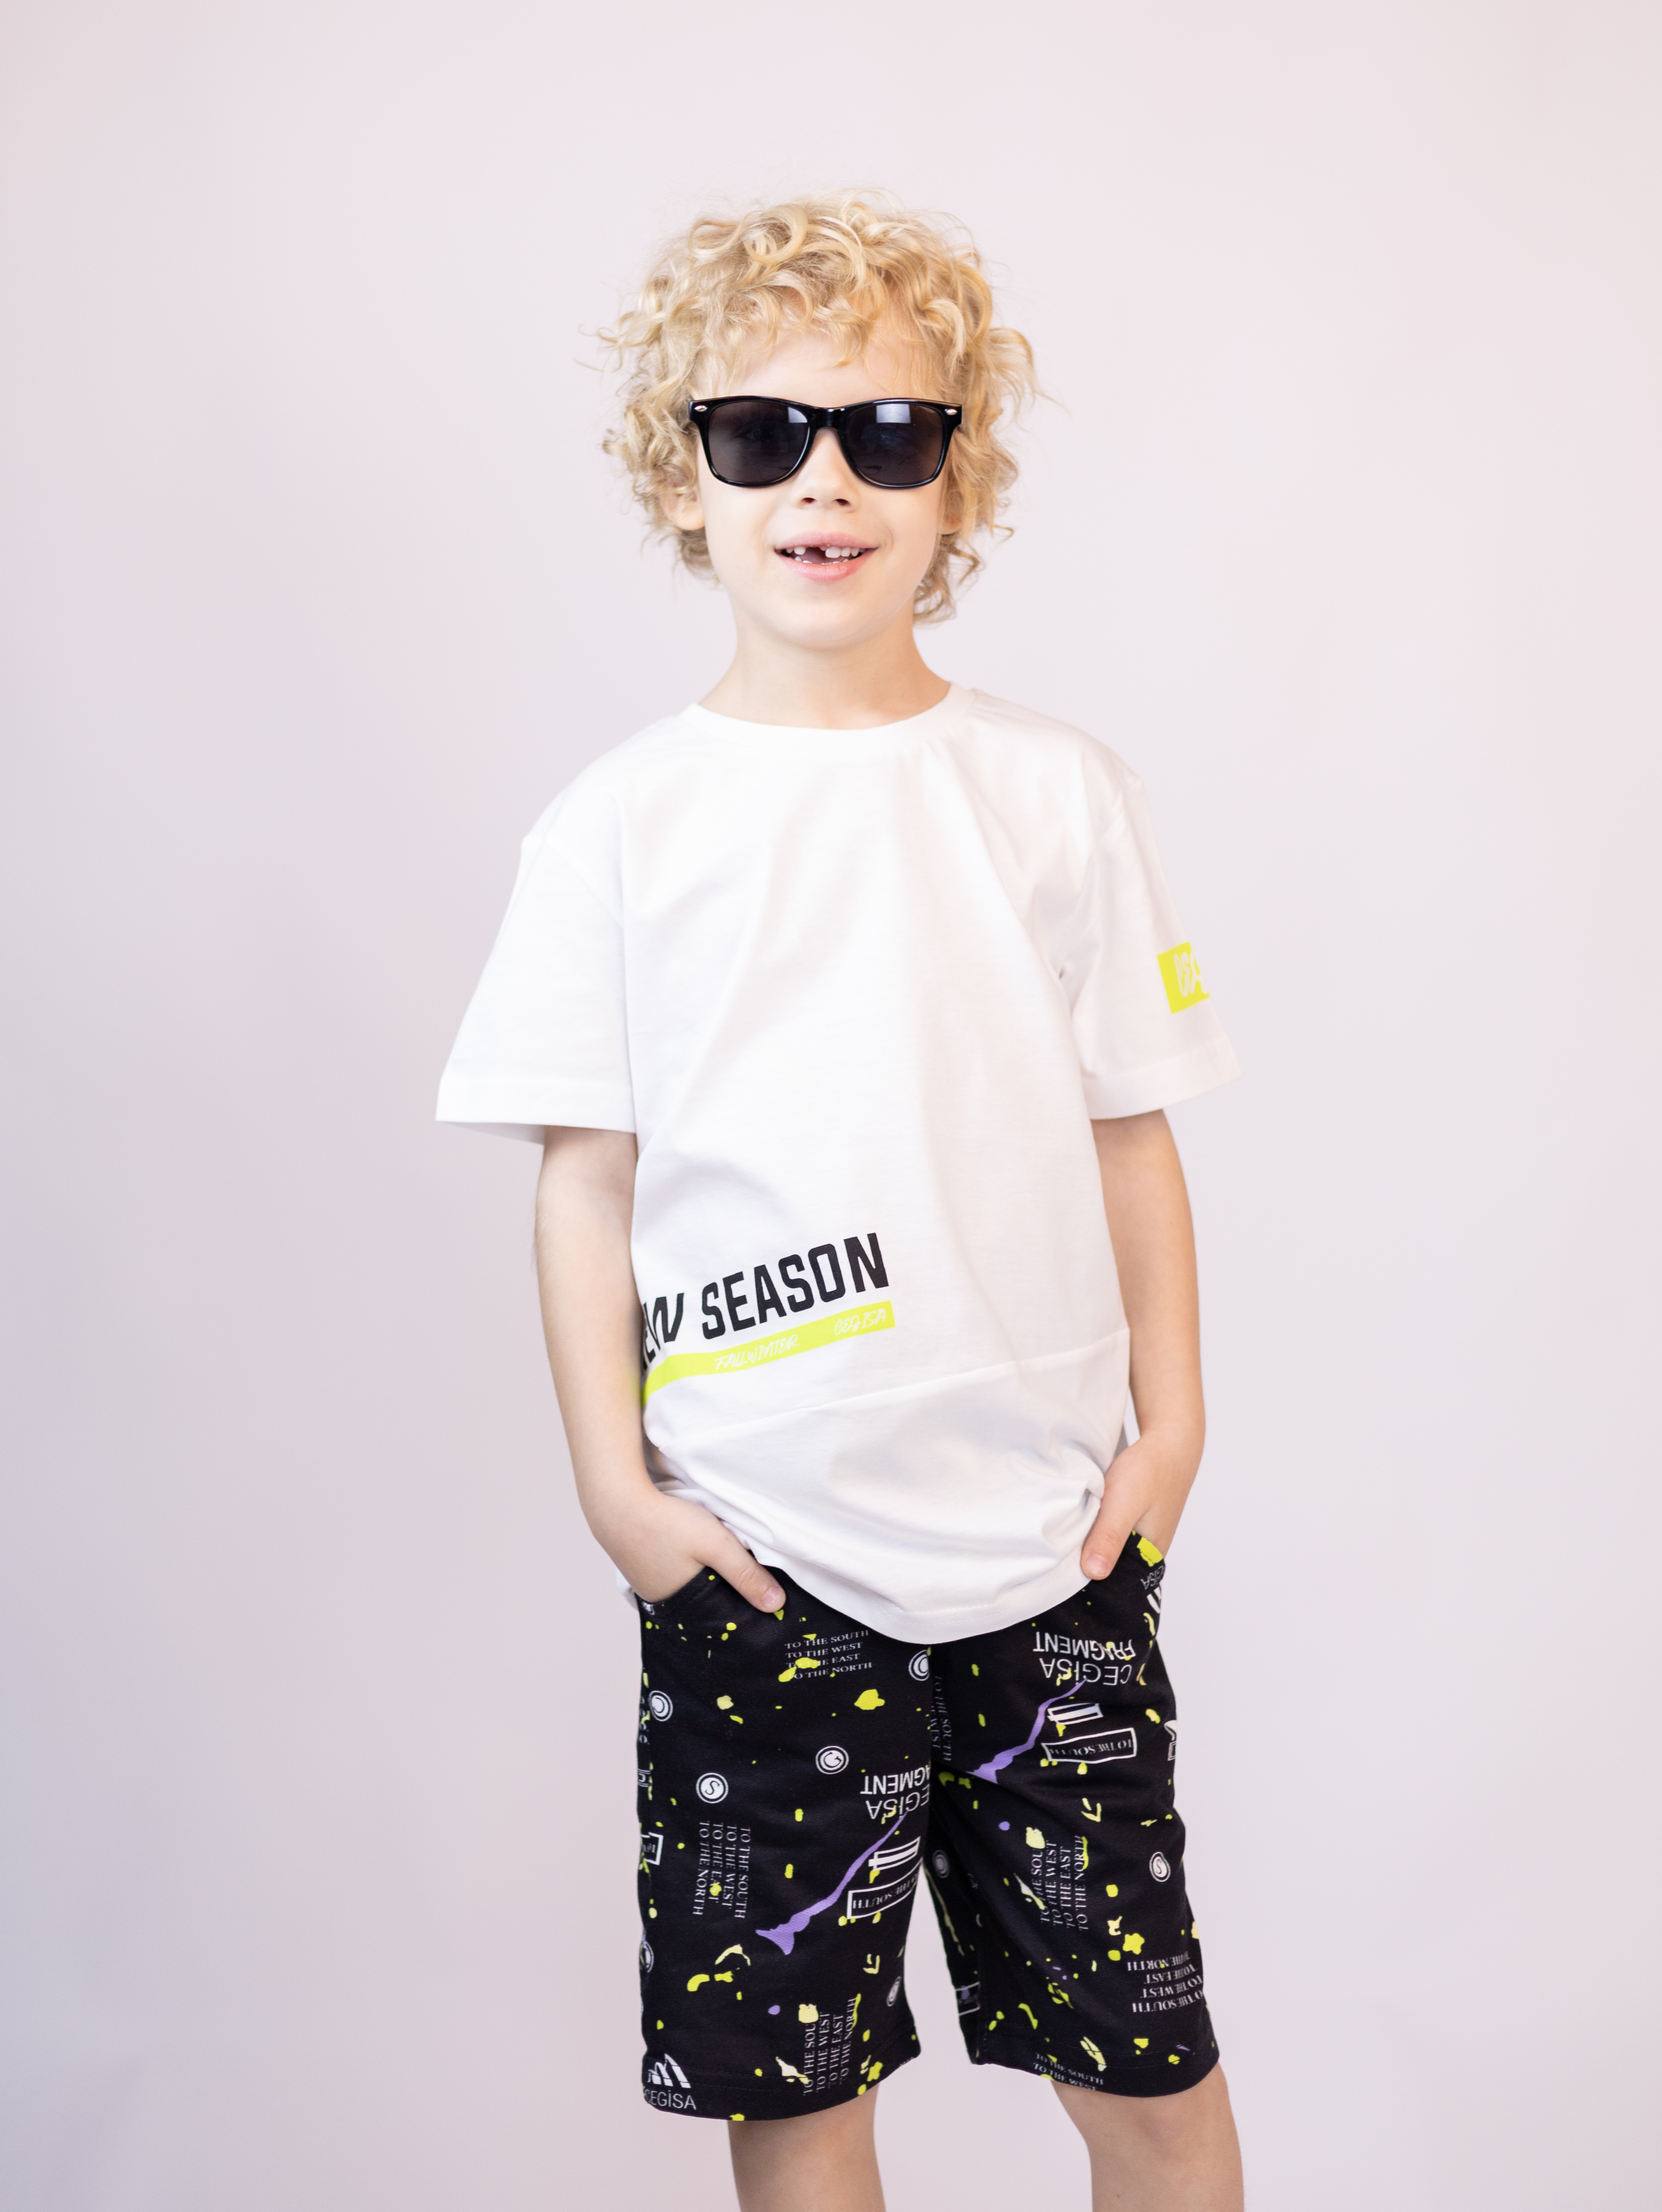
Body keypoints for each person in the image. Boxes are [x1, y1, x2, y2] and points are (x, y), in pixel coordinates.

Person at [438, 193, 1245, 2212]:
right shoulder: (619, 830)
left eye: (888, 432)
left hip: (1051, 1550)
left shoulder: (1055, 792)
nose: (825, 479)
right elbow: (585, 1178)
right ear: (681, 472)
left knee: (1147, 2079)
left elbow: (1128, 1129)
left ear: (955, 478)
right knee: (798, 2106)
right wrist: (618, 1491)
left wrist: (1169, 1425)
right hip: (763, 1568)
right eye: (762, 432)